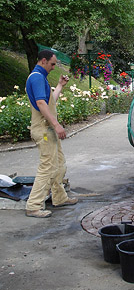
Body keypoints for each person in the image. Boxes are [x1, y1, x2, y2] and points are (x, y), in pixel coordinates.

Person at [25, 49, 78, 218]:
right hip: (45, 130)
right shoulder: (36, 78)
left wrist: (60, 86)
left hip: (48, 129)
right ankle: (33, 205)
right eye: (52, 64)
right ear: (43, 61)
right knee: (47, 166)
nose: (54, 67)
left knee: (59, 163)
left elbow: (49, 102)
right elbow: (41, 103)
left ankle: (60, 197)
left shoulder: (40, 78)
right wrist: (56, 125)